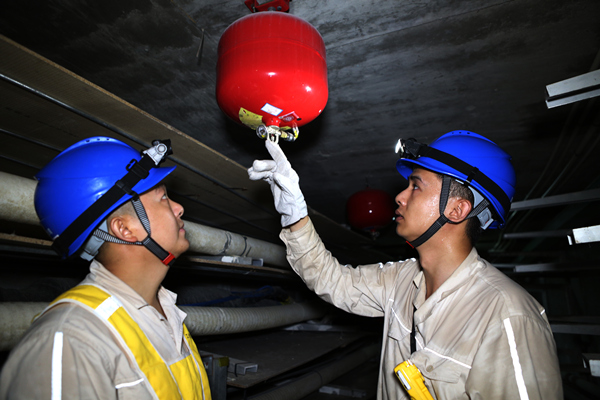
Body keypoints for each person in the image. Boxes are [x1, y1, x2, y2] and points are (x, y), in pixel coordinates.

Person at [248, 130, 562, 399]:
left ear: (456, 210)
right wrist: (295, 214)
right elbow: (333, 281)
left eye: (416, 185)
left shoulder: (508, 315)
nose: (399, 196)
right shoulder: (402, 279)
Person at [0, 137, 211, 400]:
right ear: (125, 229)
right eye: (163, 198)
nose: (179, 208)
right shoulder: (71, 339)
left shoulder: (166, 313)